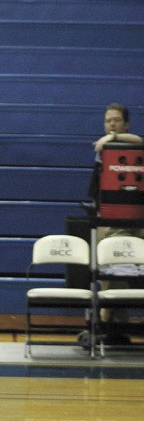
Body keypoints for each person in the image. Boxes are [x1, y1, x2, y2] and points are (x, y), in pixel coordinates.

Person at [79, 103, 144, 349]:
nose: (112, 124)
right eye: (108, 121)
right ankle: (105, 327)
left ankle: (114, 329)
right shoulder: (102, 149)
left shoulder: (129, 145)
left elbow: (138, 139)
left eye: (116, 120)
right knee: (106, 275)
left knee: (121, 273)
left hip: (129, 218)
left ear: (125, 123)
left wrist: (112, 138)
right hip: (104, 216)